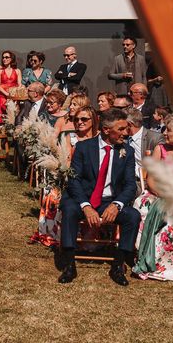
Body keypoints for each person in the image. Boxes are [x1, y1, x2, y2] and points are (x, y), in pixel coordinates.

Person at [58, 108, 140, 286]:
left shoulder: (127, 151)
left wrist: (117, 204)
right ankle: (69, 264)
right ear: (106, 130)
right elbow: (74, 180)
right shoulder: (84, 147)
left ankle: (118, 265)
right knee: (70, 209)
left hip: (109, 201)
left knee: (132, 216)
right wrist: (86, 206)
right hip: (84, 198)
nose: (125, 133)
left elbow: (130, 185)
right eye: (121, 129)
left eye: (126, 128)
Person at [133, 115, 173, 281]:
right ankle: (154, 261)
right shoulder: (160, 149)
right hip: (158, 194)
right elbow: (151, 180)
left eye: (169, 130)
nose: (165, 133)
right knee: (146, 206)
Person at [125, 107, 163, 178]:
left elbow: (163, 162)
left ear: (130, 124)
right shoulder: (123, 140)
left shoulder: (155, 138)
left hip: (150, 180)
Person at [0, 51, 22, 125]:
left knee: (13, 117)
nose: (4, 59)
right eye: (3, 57)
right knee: (1, 119)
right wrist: (7, 94)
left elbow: (20, 84)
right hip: (2, 96)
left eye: (6, 57)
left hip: (14, 97)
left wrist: (14, 95)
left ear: (11, 59)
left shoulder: (17, 71)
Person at [145, 43, 169, 108]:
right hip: (158, 88)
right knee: (157, 107)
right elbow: (148, 81)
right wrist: (156, 79)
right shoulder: (153, 64)